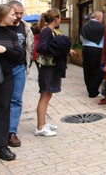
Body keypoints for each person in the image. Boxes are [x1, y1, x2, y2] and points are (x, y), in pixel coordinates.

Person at [0, 4, 24, 161]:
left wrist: (4, 50)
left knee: (3, 110)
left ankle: (1, 146)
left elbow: (19, 55)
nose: (15, 17)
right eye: (12, 14)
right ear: (2, 15)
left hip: (6, 77)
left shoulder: (12, 34)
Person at [35, 8, 76, 137]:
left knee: (48, 94)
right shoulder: (47, 31)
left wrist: (66, 49)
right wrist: (56, 46)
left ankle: (43, 123)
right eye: (60, 18)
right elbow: (41, 47)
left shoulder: (50, 31)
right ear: (56, 18)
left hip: (50, 67)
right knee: (45, 94)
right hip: (47, 67)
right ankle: (40, 127)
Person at [7, 0, 34, 148]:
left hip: (19, 68)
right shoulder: (1, 27)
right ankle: (1, 130)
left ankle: (12, 132)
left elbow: (29, 47)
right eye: (15, 13)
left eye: (20, 13)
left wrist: (27, 65)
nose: (18, 16)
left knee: (16, 100)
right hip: (2, 68)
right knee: (1, 101)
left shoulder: (25, 27)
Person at [80, 11, 105, 98]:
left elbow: (81, 37)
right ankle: (93, 90)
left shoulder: (84, 25)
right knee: (97, 70)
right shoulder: (102, 27)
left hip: (85, 48)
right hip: (97, 49)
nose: (102, 20)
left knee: (87, 70)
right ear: (98, 18)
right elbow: (105, 39)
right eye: (102, 18)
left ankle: (89, 89)